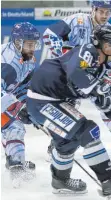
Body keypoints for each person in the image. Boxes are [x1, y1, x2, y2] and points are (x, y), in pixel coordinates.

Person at [26, 25, 111, 198]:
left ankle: (60, 181)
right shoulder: (87, 51)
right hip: (42, 101)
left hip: (54, 102)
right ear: (99, 43)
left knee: (68, 143)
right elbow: (76, 73)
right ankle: (109, 182)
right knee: (88, 130)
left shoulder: (103, 70)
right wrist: (97, 91)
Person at [43, 0, 111, 155]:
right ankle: (56, 141)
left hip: (92, 73)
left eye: (107, 12)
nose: (104, 15)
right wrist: (63, 56)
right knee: (67, 108)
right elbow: (49, 34)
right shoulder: (77, 21)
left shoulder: (110, 31)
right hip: (68, 74)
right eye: (101, 11)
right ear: (93, 9)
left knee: (106, 99)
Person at [1, 22, 41, 185]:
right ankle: (16, 165)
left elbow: (22, 86)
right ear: (18, 43)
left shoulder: (28, 58)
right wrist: (17, 107)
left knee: (13, 126)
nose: (33, 48)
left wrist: (27, 106)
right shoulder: (8, 62)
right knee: (13, 126)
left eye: (34, 44)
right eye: (30, 44)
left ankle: (15, 163)